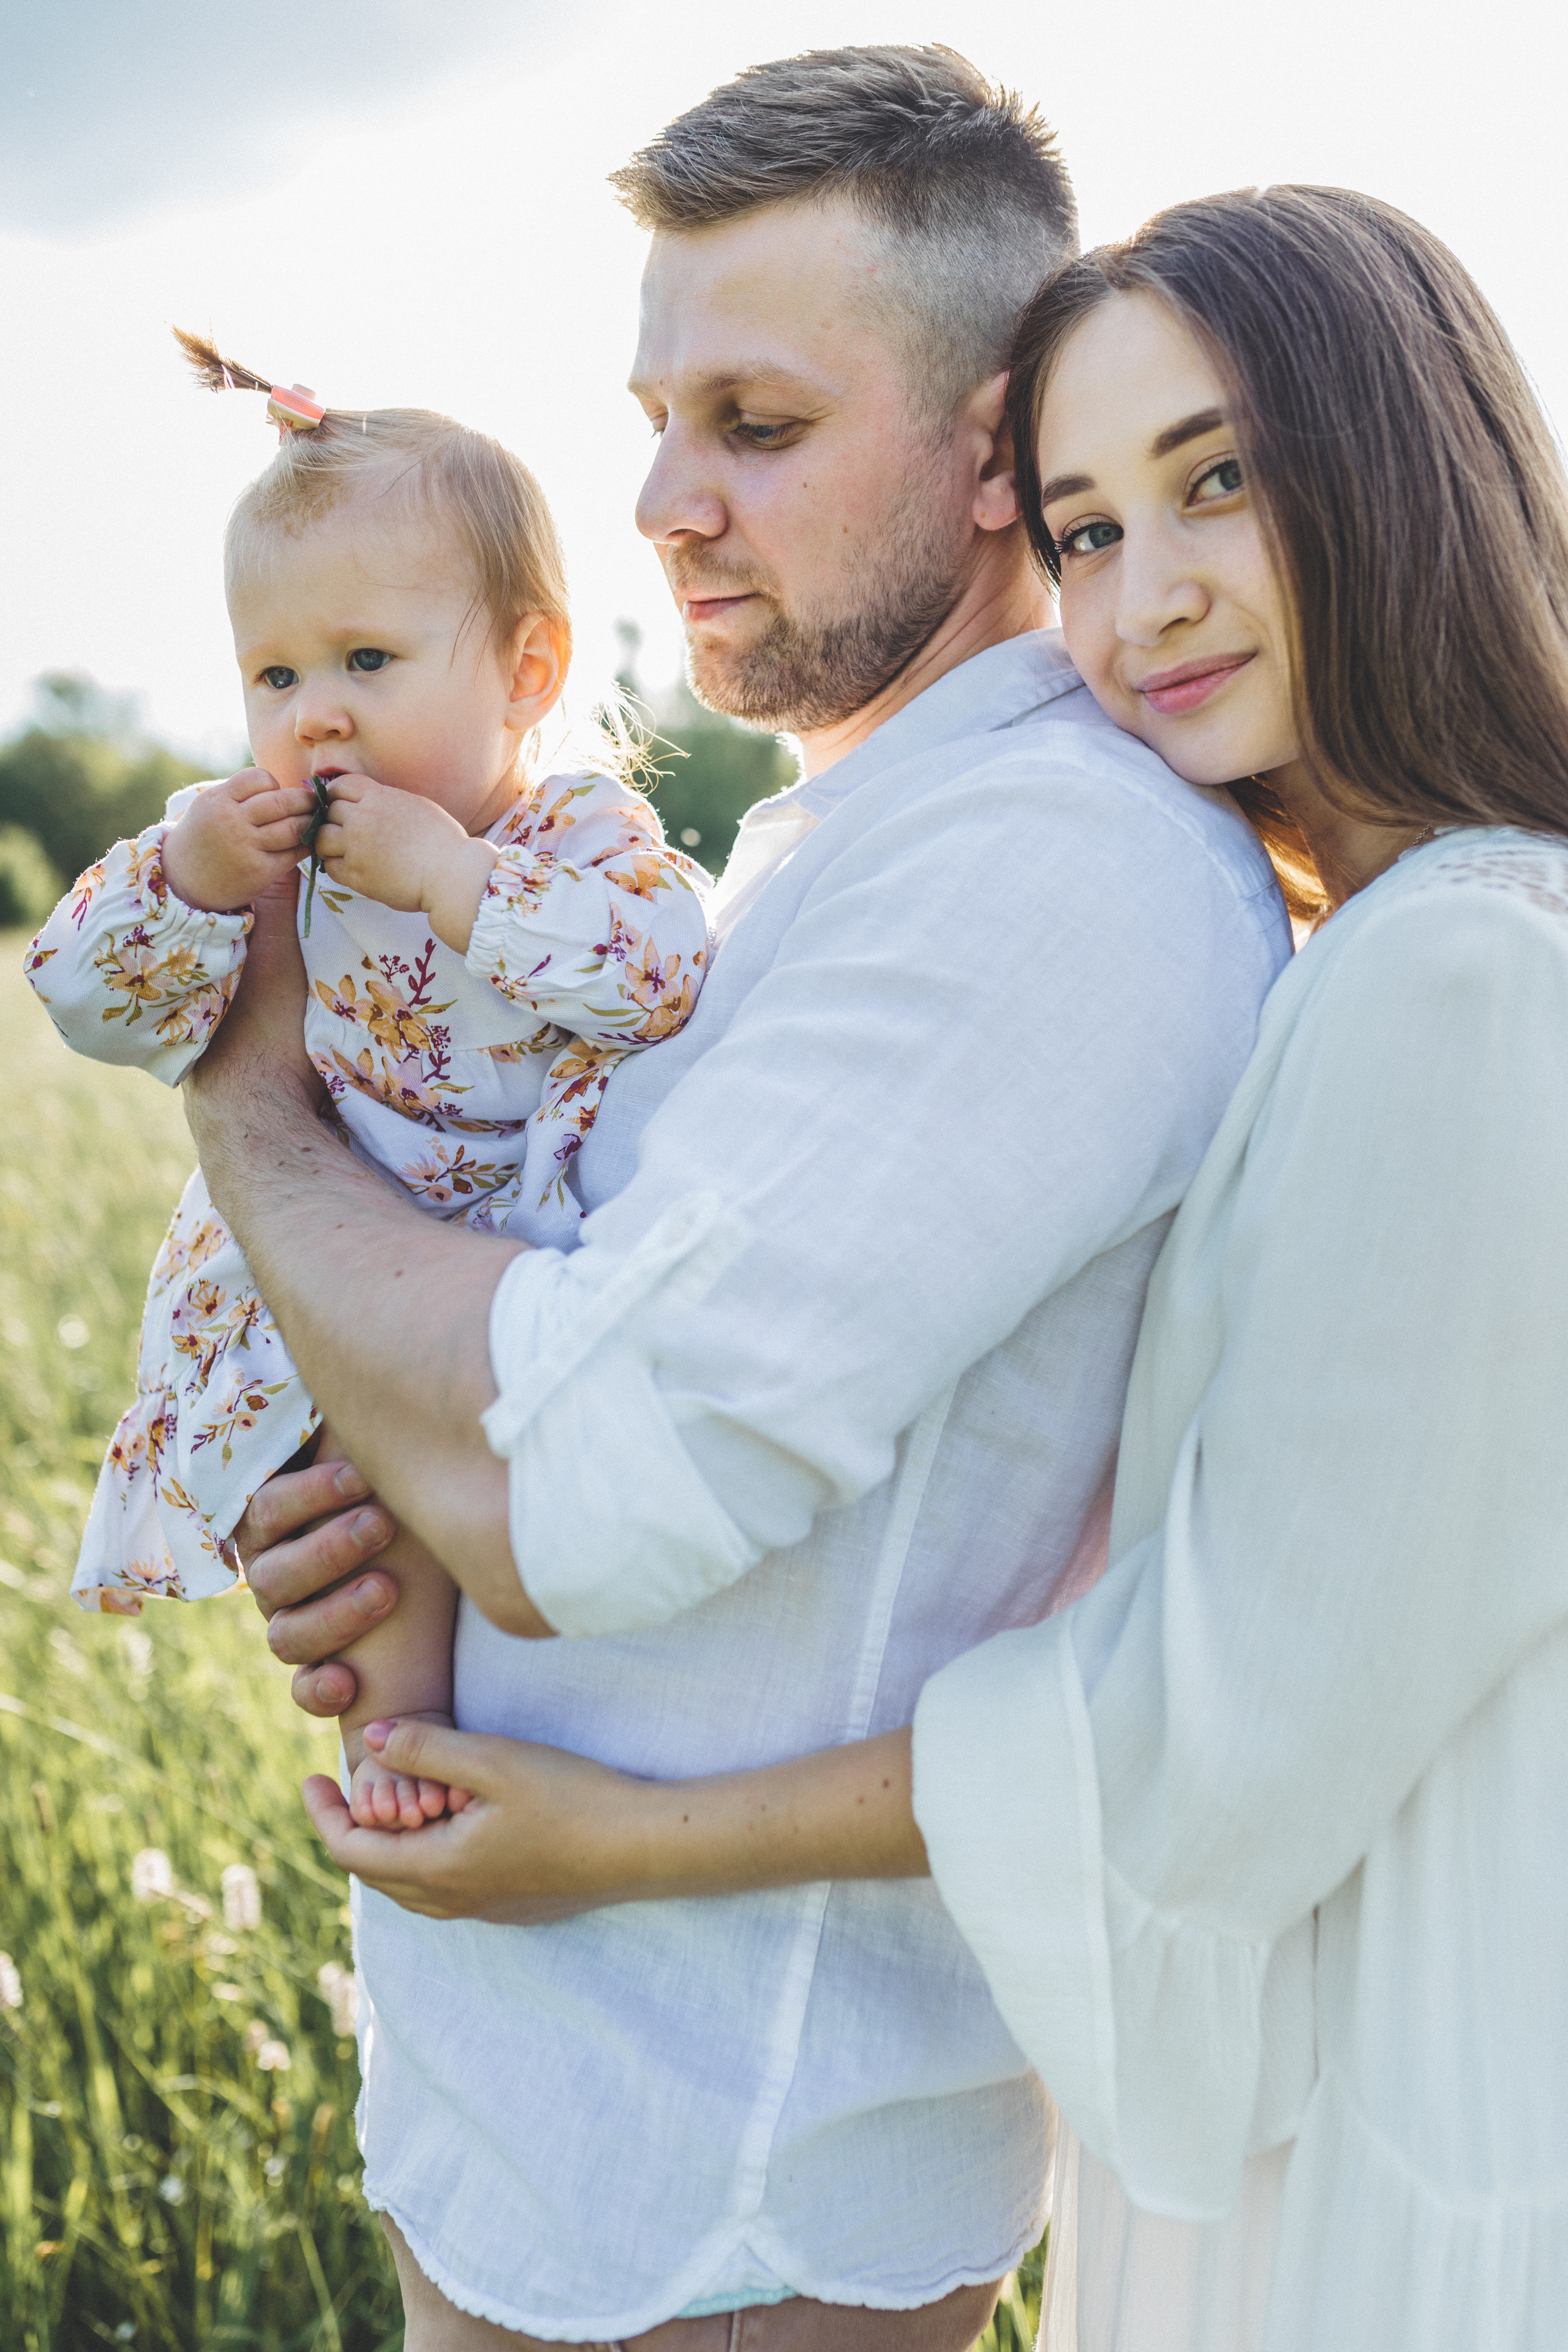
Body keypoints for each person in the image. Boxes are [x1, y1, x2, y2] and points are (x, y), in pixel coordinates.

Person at [318, 186, 1568, 2352]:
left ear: (1404, 464)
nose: (1143, 599)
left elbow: (1198, 1738)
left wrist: (622, 1838)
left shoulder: (1460, 971)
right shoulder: (1374, 946)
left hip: (1406, 2114)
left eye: (1218, 485)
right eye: (1087, 528)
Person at [185, 48, 1293, 2352]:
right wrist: (371, 1487)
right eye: (658, 416)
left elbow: (568, 1499)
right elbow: (531, 1384)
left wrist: (245, 1091)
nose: (667, 498)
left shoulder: (1056, 873)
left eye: (758, 428)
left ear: (997, 448)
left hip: (727, 2177)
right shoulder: (812, 850)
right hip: (556, 2115)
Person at [25, 371, 708, 1833]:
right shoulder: (252, 853)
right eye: (273, 677)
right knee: (350, 1510)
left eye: (365, 661)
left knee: (470, 1503)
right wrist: (191, 878)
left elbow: (658, 974)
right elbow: (86, 998)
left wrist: (447, 881)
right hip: (313, 1287)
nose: (312, 719)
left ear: (526, 672)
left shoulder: (573, 832)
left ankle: (485, 1734)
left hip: (499, 1272)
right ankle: (396, 1746)